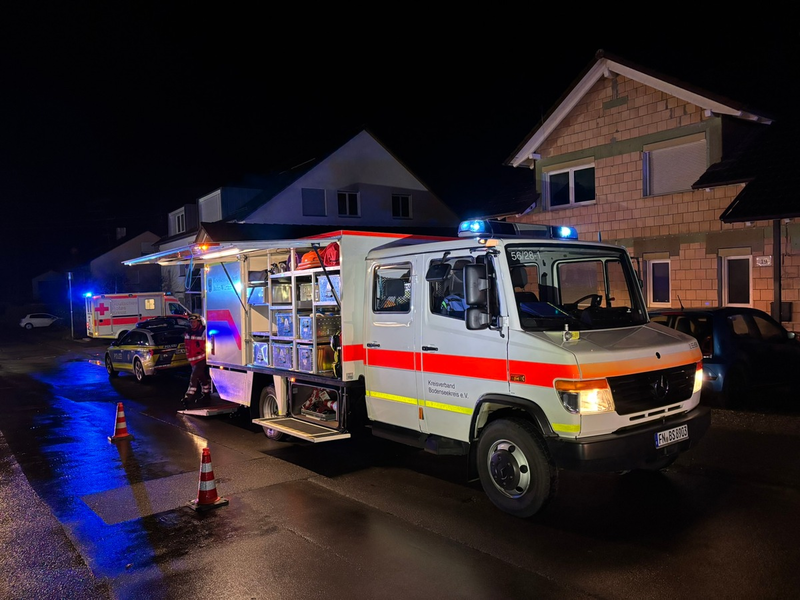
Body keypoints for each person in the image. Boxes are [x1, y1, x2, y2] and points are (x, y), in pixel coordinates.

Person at [182, 314, 211, 408]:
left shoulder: (203, 332)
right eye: (191, 322)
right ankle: (206, 394)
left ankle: (188, 398)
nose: (192, 324)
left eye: (194, 322)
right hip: (192, 360)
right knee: (201, 376)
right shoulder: (188, 332)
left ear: (199, 322)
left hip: (201, 358)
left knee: (194, 377)